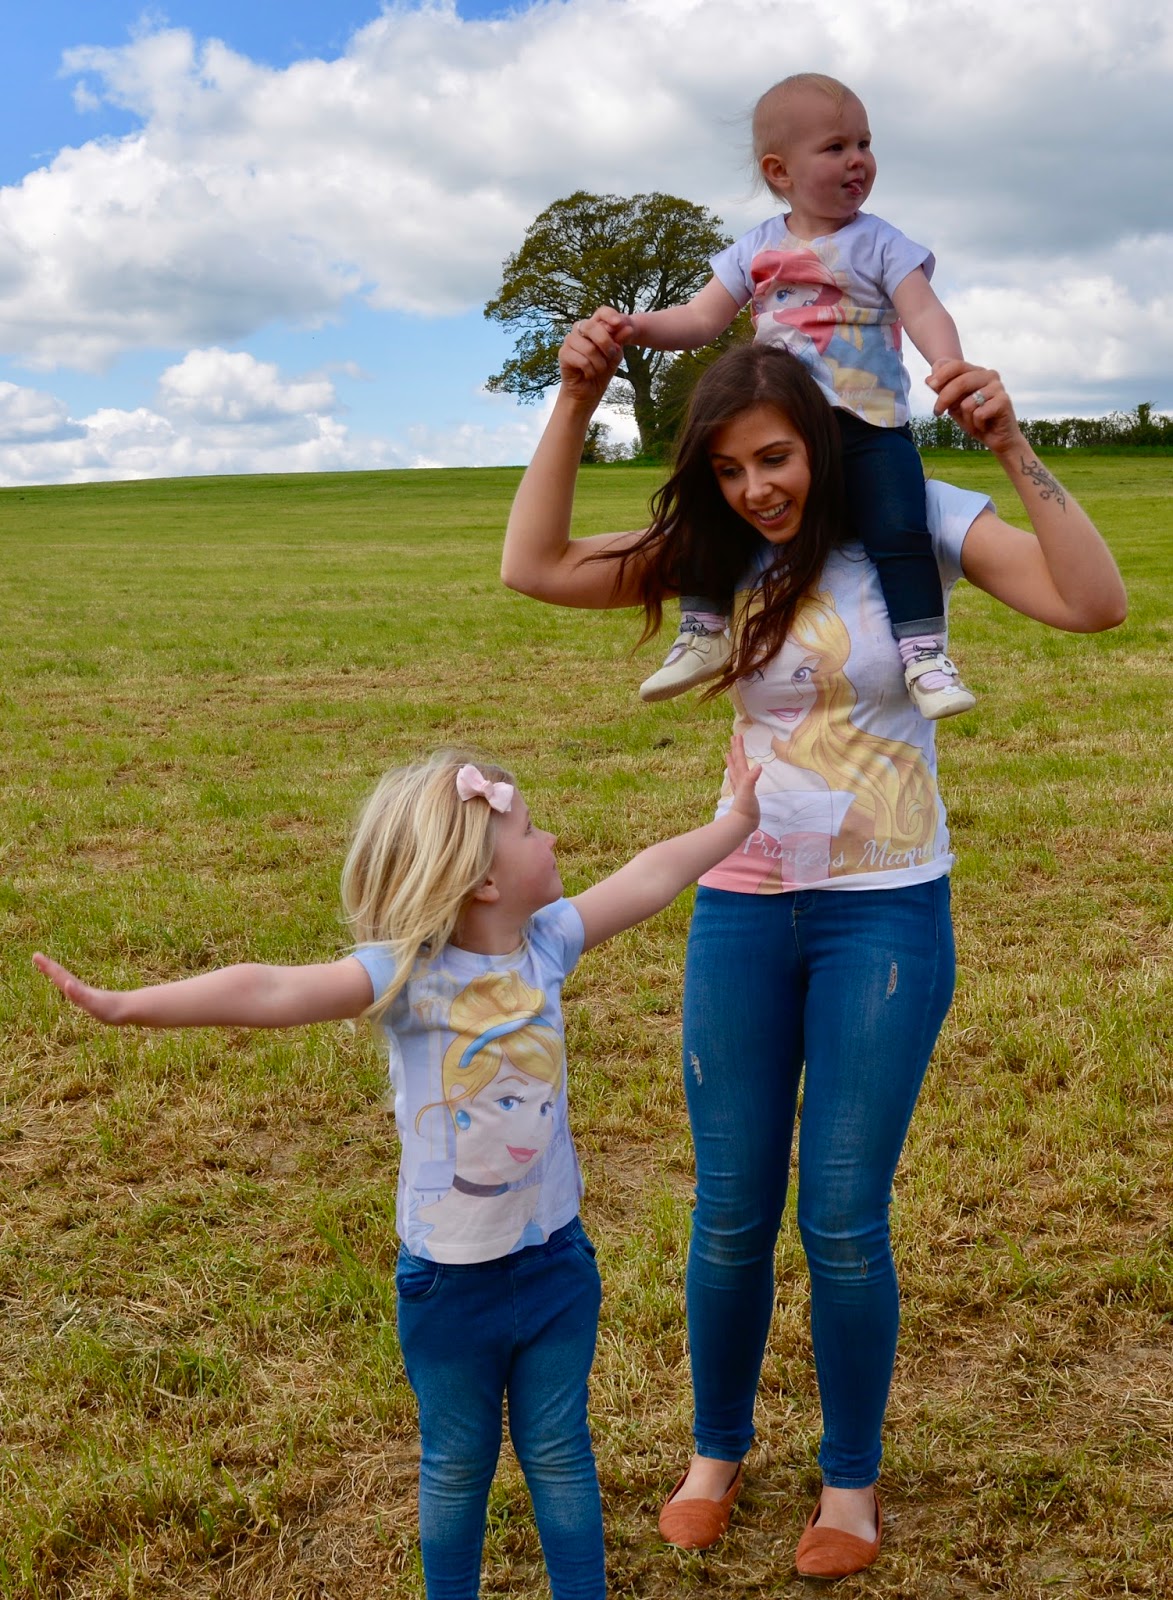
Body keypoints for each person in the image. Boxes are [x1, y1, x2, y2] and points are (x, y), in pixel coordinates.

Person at [500, 314, 1125, 1579]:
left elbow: (1094, 603)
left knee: (841, 1216)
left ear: (824, 445)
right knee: (730, 1206)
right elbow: (536, 565)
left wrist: (1012, 446)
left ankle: (850, 1482)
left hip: (886, 909)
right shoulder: (716, 549)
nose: (755, 489)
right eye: (729, 469)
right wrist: (574, 398)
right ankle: (715, 1454)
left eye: (775, 459)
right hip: (742, 903)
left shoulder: (914, 520)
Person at [33, 740, 762, 1600]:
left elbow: (650, 876)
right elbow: (268, 990)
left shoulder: (548, 945)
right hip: (449, 1285)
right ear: (482, 880)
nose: (552, 839)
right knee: (456, 1464)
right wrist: (128, 1008)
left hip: (556, 1264)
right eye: (530, 829)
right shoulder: (407, 975)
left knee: (561, 1452)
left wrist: (736, 822)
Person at [598, 71, 977, 720]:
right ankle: (704, 629)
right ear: (779, 170)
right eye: (835, 147)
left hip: (867, 424)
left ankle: (923, 655)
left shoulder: (881, 242)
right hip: (781, 428)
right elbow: (700, 319)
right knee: (707, 512)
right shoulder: (756, 249)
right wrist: (636, 327)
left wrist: (948, 363)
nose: (857, 159)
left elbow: (923, 310)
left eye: (864, 143)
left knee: (899, 525)